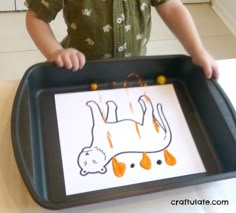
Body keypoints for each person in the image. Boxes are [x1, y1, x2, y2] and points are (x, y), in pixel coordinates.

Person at [25, 0, 219, 79]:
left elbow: (172, 7)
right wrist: (55, 51)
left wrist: (197, 50)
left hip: (133, 70)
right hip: (80, 72)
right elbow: (36, 17)